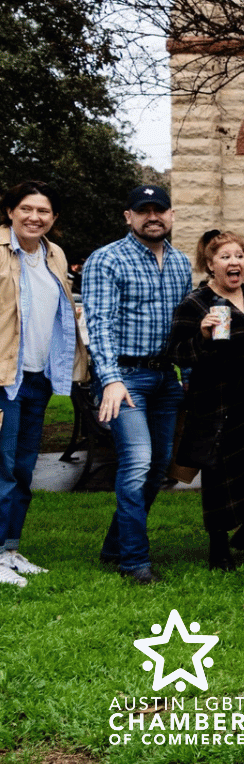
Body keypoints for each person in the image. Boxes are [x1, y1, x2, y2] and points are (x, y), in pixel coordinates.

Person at [84, 185, 193, 584]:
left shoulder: (181, 263)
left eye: (159, 210)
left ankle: (115, 545)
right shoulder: (107, 259)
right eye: (143, 210)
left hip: (166, 378)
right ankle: (135, 562)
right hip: (125, 378)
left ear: (171, 215)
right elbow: (99, 324)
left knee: (157, 467)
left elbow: (185, 329)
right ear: (128, 216)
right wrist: (110, 380)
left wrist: (188, 377)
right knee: (137, 463)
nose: (152, 216)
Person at [168, 231, 244, 570]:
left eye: (240, 256)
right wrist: (202, 336)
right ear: (210, 264)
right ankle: (219, 546)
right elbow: (178, 354)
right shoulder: (196, 303)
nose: (235, 262)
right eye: (226, 257)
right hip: (217, 404)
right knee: (219, 476)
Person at [1, 182, 82, 586]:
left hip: (38, 378)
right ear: (11, 211)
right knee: (2, 467)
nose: (35, 217)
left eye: (44, 211)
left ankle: (9, 549)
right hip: (4, 379)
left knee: (23, 468)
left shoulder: (54, 254)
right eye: (27, 209)